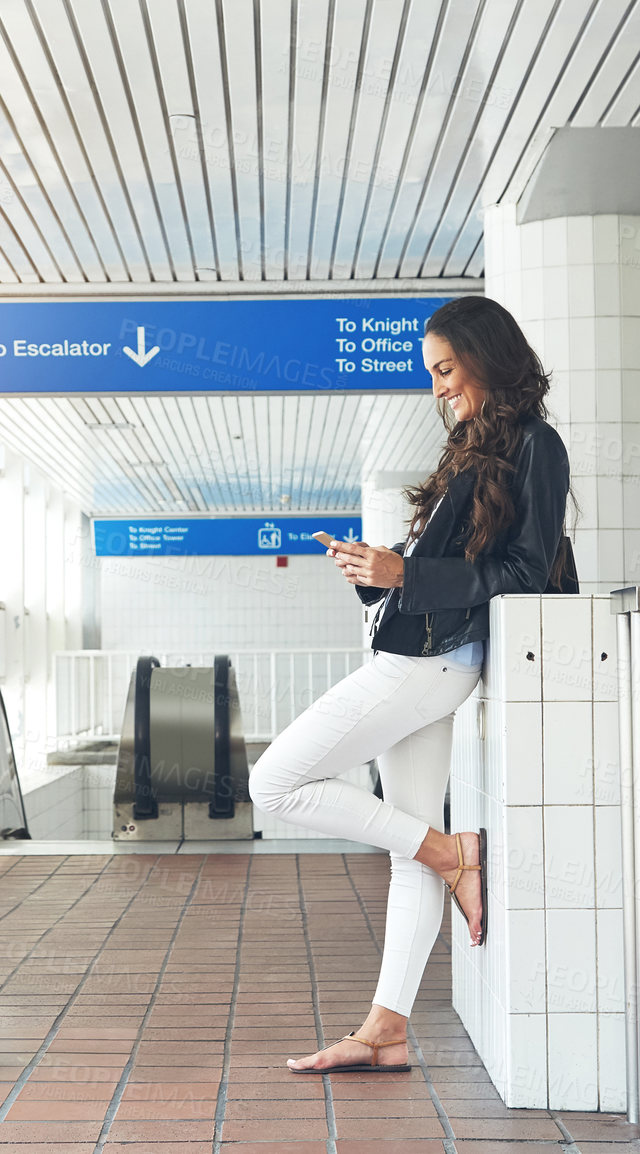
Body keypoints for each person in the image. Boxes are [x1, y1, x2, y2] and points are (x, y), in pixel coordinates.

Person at [247, 295, 571, 1074]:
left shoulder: (537, 444)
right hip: (422, 651)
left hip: (428, 665)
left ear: (487, 357)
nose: (437, 387)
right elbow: (442, 565)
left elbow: (524, 570)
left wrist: (407, 571)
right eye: (431, 374)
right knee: (405, 853)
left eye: (446, 368)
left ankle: (451, 852)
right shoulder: (470, 447)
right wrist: (375, 570)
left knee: (274, 783)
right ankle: (385, 1029)